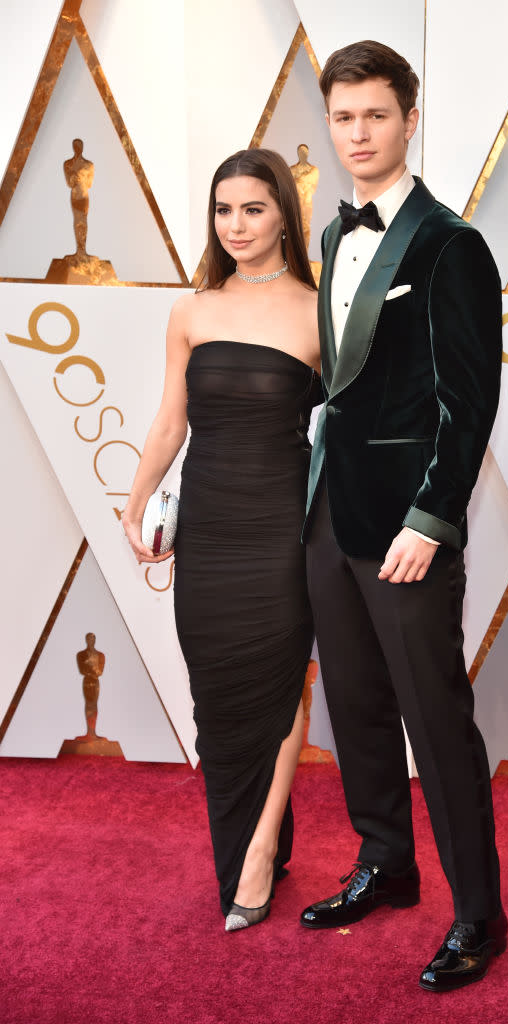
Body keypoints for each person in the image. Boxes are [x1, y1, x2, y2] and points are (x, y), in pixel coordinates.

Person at [300, 40, 507, 991]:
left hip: (406, 529)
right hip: (332, 519)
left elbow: (469, 400)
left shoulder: (450, 244)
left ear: (409, 119)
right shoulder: (336, 236)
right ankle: (387, 862)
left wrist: (433, 517)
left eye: (375, 115)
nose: (358, 133)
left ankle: (480, 916)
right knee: (356, 708)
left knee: (437, 718)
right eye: (343, 117)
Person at [122, 148, 320, 932]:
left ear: (283, 217)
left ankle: (262, 847)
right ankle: (258, 829)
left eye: (253, 210)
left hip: (280, 531)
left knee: (276, 686)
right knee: (218, 697)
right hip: (207, 526)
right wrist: (134, 505)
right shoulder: (193, 310)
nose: (236, 226)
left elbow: (350, 425)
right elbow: (172, 419)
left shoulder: (317, 310)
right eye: (223, 210)